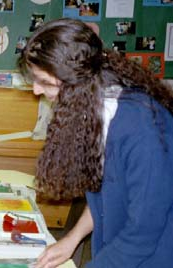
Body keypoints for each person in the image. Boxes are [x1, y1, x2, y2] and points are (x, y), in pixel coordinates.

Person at [17, 18, 173, 268]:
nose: (36, 90)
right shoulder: (93, 106)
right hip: (117, 251)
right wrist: (72, 239)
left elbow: (142, 233)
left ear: (74, 80)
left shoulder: (144, 130)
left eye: (44, 81)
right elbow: (103, 194)